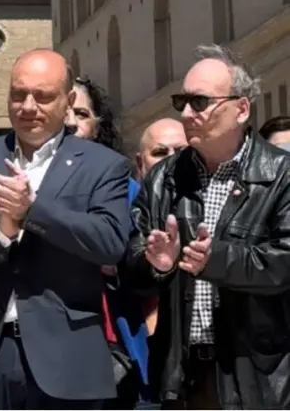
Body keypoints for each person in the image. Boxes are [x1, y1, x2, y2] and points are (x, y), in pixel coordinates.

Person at [0, 49, 132, 409]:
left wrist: (33, 211)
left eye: (43, 96)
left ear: (68, 102)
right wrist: (0, 232)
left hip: (67, 362)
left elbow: (110, 242)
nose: (28, 106)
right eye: (18, 94)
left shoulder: (103, 165)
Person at [123, 44, 290, 409]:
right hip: (184, 377)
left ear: (241, 109)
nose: (186, 113)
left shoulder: (281, 174)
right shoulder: (164, 179)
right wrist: (155, 264)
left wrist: (214, 260)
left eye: (199, 102)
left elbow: (284, 262)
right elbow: (130, 265)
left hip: (259, 375)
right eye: (182, 101)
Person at [70, 76, 150, 407]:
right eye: (63, 111)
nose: (71, 123)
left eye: (82, 113)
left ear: (98, 126)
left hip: (118, 344)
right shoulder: (22, 187)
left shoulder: (128, 192)